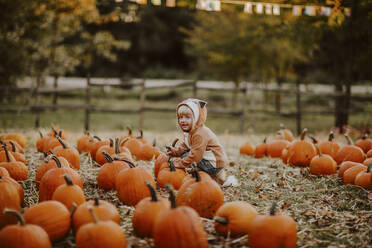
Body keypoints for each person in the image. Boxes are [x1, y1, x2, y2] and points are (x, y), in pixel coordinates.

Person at [166, 98, 239, 187]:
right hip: (208, 160)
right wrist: (175, 152)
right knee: (184, 155)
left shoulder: (199, 134)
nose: (183, 120)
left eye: (187, 117)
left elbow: (195, 156)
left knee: (186, 157)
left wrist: (179, 163)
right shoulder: (190, 131)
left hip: (213, 163)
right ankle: (213, 177)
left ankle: (208, 176)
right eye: (181, 117)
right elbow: (185, 145)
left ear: (196, 118)